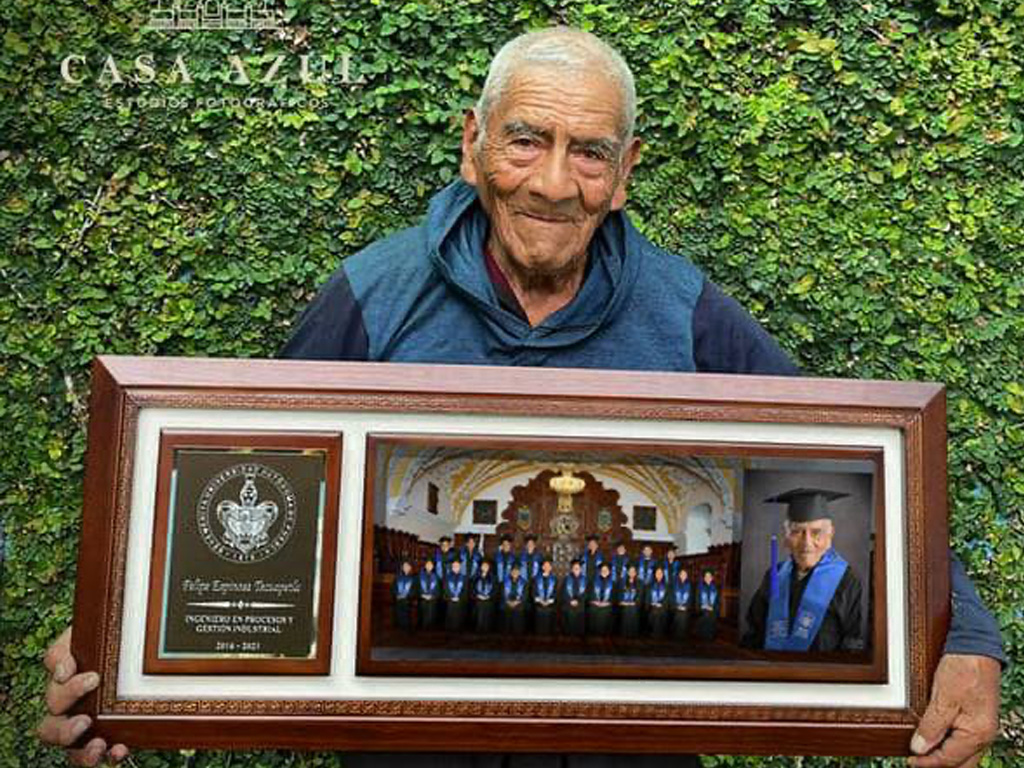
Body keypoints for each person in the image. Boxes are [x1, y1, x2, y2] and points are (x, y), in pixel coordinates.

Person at [40, 26, 1004, 768]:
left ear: (624, 176)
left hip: (627, 742)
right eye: (526, 141)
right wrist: (127, 648)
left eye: (589, 153)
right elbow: (256, 492)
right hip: (408, 746)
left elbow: (852, 465)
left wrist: (961, 635)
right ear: (472, 145)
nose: (553, 183)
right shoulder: (371, 299)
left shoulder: (689, 315)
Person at [742, 488, 864, 652]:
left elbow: (854, 643)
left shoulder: (846, 581)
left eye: (816, 533)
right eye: (797, 532)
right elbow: (754, 632)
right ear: (786, 537)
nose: (806, 543)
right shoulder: (774, 575)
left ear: (830, 535)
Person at [587, 561, 616, 637]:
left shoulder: (613, 583)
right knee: (593, 610)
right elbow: (589, 594)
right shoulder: (593, 582)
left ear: (609, 572)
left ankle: (605, 636)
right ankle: (593, 636)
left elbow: (615, 597)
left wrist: (608, 602)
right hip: (595, 605)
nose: (604, 572)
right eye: (602, 570)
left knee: (606, 612)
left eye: (606, 570)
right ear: (599, 572)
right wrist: (594, 601)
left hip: (607, 606)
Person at [616, 563, 644, 638]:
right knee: (625, 610)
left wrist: (634, 603)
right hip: (623, 605)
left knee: (632, 610)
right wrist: (621, 602)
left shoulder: (640, 582)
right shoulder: (622, 581)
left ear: (636, 572)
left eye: (633, 571)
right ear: (627, 572)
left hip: (634, 605)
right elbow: (618, 593)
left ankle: (633, 634)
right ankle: (623, 633)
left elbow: (640, 595)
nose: (632, 573)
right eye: (630, 571)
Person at [560, 558, 588, 638]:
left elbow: (586, 593)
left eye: (578, 568)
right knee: (568, 625)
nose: (576, 570)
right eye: (574, 568)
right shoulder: (566, 579)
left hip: (580, 605)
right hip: (568, 605)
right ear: (572, 569)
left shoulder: (585, 580)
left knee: (579, 627)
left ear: (581, 569)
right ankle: (568, 637)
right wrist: (570, 601)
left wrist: (578, 601)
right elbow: (563, 592)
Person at [532, 558, 559, 635]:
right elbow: (534, 592)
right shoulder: (536, 578)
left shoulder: (554, 579)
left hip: (550, 604)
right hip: (539, 604)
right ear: (542, 567)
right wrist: (540, 601)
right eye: (545, 566)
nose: (547, 567)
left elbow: (555, 593)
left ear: (551, 568)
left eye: (548, 566)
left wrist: (548, 601)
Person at [501, 562, 528, 635]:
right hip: (507, 604)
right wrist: (508, 602)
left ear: (519, 572)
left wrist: (516, 602)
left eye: (517, 571)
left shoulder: (524, 583)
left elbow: (525, 596)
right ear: (510, 572)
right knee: (505, 610)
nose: (515, 572)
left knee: (519, 610)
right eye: (513, 571)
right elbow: (502, 594)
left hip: (519, 604)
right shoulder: (505, 581)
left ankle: (518, 634)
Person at [391, 558, 418, 632]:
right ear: (402, 567)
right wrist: (397, 595)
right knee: (398, 612)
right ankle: (398, 627)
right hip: (398, 599)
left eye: (407, 566)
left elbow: (415, 590)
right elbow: (393, 588)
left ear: (410, 567)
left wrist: (407, 596)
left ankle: (406, 628)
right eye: (404, 566)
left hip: (408, 600)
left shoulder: (414, 578)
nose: (406, 568)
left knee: (406, 612)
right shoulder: (397, 577)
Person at [471, 558, 497, 633]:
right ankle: (478, 630)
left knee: (487, 616)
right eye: (483, 566)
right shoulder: (476, 576)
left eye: (486, 566)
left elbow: (495, 589)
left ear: (489, 567)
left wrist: (489, 596)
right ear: (480, 567)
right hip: (478, 600)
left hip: (489, 600)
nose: (485, 567)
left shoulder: (493, 577)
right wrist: (477, 595)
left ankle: (487, 631)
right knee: (478, 616)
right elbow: (472, 588)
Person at [442, 558, 469, 632]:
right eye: (454, 566)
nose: (455, 567)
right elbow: (445, 590)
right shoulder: (447, 577)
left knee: (459, 620)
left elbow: (465, 591)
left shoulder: (464, 578)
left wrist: (459, 598)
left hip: (460, 602)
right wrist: (450, 597)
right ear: (452, 567)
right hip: (450, 602)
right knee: (450, 621)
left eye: (457, 566)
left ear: (460, 567)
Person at [693, 569, 719, 642]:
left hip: (712, 612)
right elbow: (697, 601)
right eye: (706, 576)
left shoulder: (715, 588)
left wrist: (713, 608)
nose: (708, 578)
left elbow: (717, 602)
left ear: (712, 578)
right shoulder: (699, 587)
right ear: (704, 578)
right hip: (702, 612)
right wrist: (703, 607)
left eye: (709, 576)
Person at [416, 557, 442, 630]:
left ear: (433, 566)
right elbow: (417, 588)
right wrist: (421, 595)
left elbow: (438, 590)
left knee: (431, 618)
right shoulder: (420, 575)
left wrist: (433, 596)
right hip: (422, 600)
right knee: (422, 618)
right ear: (425, 565)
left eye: (431, 565)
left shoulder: (436, 577)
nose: (429, 566)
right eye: (427, 564)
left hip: (432, 601)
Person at [646, 564, 670, 638]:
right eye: (657, 573)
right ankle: (654, 633)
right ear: (654, 574)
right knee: (654, 612)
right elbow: (647, 598)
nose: (659, 575)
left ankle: (659, 634)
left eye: (660, 573)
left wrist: (662, 605)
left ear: (663, 574)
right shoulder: (650, 585)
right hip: (652, 607)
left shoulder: (667, 586)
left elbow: (668, 598)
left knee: (659, 612)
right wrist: (651, 604)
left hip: (663, 608)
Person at [669, 566, 693, 641]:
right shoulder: (674, 584)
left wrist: (686, 607)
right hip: (675, 607)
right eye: (681, 574)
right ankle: (676, 635)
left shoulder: (690, 585)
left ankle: (682, 635)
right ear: (679, 575)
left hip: (685, 608)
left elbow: (691, 599)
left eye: (685, 574)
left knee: (683, 615)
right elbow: (671, 597)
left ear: (687, 575)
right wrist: (676, 606)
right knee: (678, 614)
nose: (683, 576)